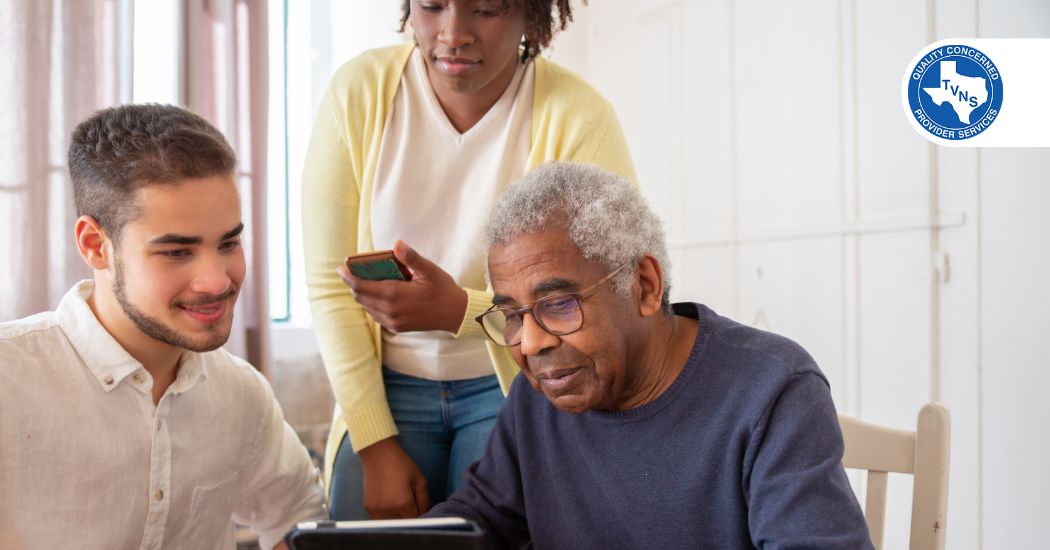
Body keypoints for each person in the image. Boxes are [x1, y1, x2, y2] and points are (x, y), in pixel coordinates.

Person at [301, 0, 636, 520]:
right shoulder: (359, 93)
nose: (453, 34)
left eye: (486, 9)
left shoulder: (578, 115)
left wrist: (459, 310)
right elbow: (330, 283)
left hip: (512, 382)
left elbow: (610, 292)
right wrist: (373, 444)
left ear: (530, 15)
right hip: (383, 386)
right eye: (432, 6)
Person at [425, 162, 873, 549]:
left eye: (559, 305)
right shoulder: (538, 395)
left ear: (644, 285)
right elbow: (476, 523)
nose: (530, 343)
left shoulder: (770, 390)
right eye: (513, 315)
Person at [0, 104, 326, 550]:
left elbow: (299, 518)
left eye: (229, 242)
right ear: (96, 245)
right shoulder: (9, 382)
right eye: (177, 252)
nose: (217, 281)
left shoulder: (241, 395)